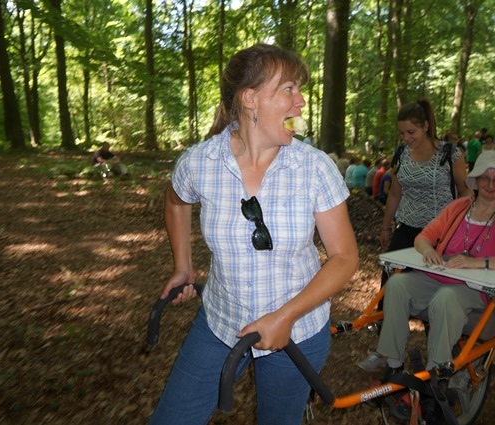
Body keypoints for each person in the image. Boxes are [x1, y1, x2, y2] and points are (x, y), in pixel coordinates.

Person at [149, 44, 358, 425]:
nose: (302, 102)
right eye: (289, 89)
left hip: (296, 334)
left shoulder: (314, 168)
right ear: (250, 99)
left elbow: (345, 257)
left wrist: (285, 316)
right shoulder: (201, 162)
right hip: (220, 324)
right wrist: (183, 266)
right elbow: (176, 200)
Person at [358, 151, 495, 376]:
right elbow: (423, 238)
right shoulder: (458, 208)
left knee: (446, 298)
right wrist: (428, 249)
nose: (491, 184)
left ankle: (437, 372)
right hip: (438, 277)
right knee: (396, 285)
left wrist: (477, 263)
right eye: (485, 178)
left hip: (479, 289)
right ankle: (392, 364)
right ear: (476, 180)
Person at [378, 100, 472, 308]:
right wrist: (386, 227)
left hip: (440, 232)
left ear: (426, 126)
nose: (406, 138)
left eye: (411, 132)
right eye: (402, 133)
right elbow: (395, 193)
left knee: (434, 282)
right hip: (407, 227)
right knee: (390, 275)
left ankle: (435, 328)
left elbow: (465, 191)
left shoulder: (449, 153)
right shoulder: (401, 154)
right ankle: (385, 324)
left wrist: (464, 224)